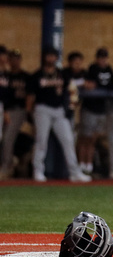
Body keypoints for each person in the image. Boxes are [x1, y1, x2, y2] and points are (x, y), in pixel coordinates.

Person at [26, 46, 91, 182]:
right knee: (41, 141)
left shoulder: (62, 74)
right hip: (42, 109)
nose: (51, 58)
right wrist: (29, 113)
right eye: (48, 55)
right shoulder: (37, 75)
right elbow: (30, 97)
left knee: (68, 140)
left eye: (53, 56)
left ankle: (74, 172)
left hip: (59, 110)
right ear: (44, 57)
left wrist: (70, 107)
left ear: (56, 58)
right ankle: (38, 171)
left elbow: (72, 90)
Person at [78, 47, 113, 176]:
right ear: (97, 58)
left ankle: (88, 164)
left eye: (105, 58)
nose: (103, 60)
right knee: (85, 137)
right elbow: (91, 84)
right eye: (100, 57)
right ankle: (81, 163)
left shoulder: (109, 69)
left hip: (101, 110)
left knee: (93, 139)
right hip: (90, 108)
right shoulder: (92, 68)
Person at [0, 49, 29, 179]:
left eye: (17, 58)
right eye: (12, 58)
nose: (14, 61)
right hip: (6, 109)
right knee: (5, 139)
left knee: (7, 139)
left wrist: (29, 114)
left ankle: (6, 167)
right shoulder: (6, 75)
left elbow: (31, 96)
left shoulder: (26, 76)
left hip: (18, 110)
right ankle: (8, 164)